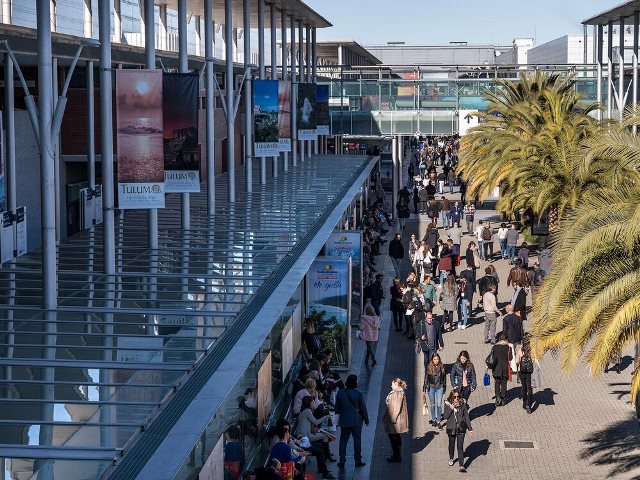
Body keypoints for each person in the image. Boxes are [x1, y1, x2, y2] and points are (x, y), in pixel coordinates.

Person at [295, 397, 336, 479]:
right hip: (305, 438)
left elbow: (310, 426)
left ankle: (323, 466)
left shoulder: (304, 411)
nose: (314, 404)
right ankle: (327, 457)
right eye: (313, 402)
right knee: (324, 437)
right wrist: (326, 417)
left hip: (304, 437)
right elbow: (316, 422)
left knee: (320, 445)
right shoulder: (307, 411)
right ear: (309, 403)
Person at [335, 374, 369, 469]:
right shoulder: (358, 394)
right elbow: (363, 408)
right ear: (355, 382)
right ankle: (358, 460)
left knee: (343, 440)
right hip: (356, 421)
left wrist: (336, 422)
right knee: (357, 440)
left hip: (345, 421)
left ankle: (342, 460)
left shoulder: (340, 393)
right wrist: (366, 420)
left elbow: (337, 409)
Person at [442, 390, 473, 472]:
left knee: (460, 447)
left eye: (458, 397)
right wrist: (451, 409)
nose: (456, 399)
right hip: (451, 427)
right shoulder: (447, 404)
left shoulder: (463, 404)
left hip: (461, 428)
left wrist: (470, 428)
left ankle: (461, 465)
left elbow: (466, 416)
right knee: (451, 445)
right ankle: (451, 458)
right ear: (451, 397)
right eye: (454, 397)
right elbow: (445, 416)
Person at [383, 378, 409, 463]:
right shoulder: (399, 392)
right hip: (396, 420)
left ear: (395, 384)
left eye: (392, 384)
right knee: (395, 437)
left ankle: (396, 456)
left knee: (393, 437)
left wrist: (393, 418)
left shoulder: (397, 394)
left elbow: (397, 407)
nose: (391, 385)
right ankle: (396, 455)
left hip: (395, 420)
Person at [488, 332, 511, 406]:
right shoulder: (508, 347)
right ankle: (503, 399)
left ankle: (498, 399)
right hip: (505, 368)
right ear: (506, 339)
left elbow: (492, 358)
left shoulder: (495, 347)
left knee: (497, 383)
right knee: (504, 383)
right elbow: (510, 358)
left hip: (496, 368)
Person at [424, 354, 447, 427]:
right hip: (431, 388)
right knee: (432, 405)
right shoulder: (429, 367)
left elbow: (444, 378)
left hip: (440, 387)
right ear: (432, 360)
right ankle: (433, 419)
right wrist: (424, 388)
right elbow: (426, 378)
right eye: (434, 359)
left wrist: (444, 387)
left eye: (437, 359)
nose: (436, 361)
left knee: (439, 405)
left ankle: (438, 420)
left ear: (439, 359)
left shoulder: (442, 367)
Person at [516, 335, 535, 414]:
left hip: (522, 371)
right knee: (529, 387)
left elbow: (517, 361)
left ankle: (524, 402)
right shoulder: (532, 350)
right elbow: (534, 360)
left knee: (524, 387)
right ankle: (529, 403)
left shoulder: (520, 350)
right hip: (529, 372)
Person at [459, 264, 475, 329]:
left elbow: (470, 293)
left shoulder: (468, 284)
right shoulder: (461, 284)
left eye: (461, 278)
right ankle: (461, 322)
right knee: (462, 311)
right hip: (461, 298)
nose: (460, 279)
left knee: (464, 312)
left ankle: (464, 324)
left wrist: (469, 300)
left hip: (465, 299)